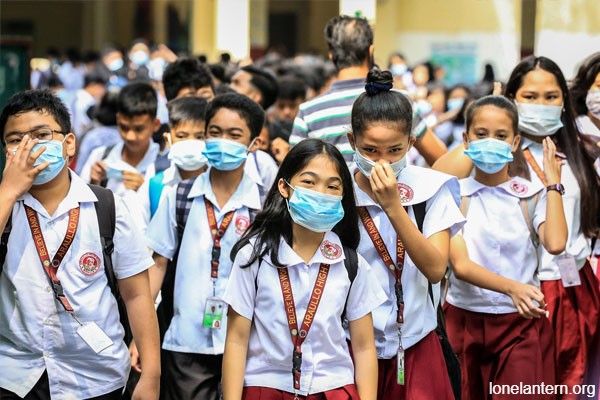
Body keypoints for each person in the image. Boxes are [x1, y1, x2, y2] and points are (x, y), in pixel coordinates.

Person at [433, 56, 600, 399]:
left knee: (563, 385)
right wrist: (492, 115)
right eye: (530, 96)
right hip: (486, 305)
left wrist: (553, 185)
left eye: (551, 96)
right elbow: (442, 173)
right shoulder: (472, 178)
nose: (541, 105)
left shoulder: (583, 149)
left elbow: (558, 239)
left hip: (562, 290)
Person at [0, 89, 160, 399]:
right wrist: (8, 191)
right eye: (15, 139)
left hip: (95, 377)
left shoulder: (106, 207)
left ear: (68, 143)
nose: (28, 147)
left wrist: (151, 374)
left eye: (41, 134)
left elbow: (137, 293)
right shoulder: (5, 205)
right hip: (16, 376)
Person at [222, 138, 386, 400]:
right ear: (284, 187)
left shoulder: (351, 264)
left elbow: (365, 347)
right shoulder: (254, 256)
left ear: (343, 197)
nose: (320, 193)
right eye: (309, 182)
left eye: (333, 186)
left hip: (333, 388)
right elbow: (236, 340)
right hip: (266, 387)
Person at [348, 69, 464, 400]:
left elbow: (435, 269)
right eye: (370, 151)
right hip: (350, 344)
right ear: (351, 142)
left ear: (411, 144)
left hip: (416, 341)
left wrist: (394, 208)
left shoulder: (430, 189)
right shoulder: (337, 190)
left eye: (395, 151)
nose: (382, 163)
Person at [444, 95, 567, 400]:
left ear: (515, 142)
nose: (490, 142)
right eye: (481, 134)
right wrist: (513, 287)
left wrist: (553, 185)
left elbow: (555, 242)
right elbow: (461, 265)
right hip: (464, 319)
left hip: (520, 324)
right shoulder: (453, 194)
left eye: (501, 136)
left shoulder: (530, 194)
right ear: (465, 138)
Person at [145, 93, 266, 400]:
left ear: (253, 143)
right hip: (187, 342)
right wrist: (140, 337)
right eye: (215, 132)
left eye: (234, 135)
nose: (222, 141)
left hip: (252, 344)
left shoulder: (264, 205)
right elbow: (158, 263)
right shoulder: (180, 195)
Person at [288, 15, 447, 167]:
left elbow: (294, 171)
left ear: (332, 56)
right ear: (371, 51)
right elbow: (440, 159)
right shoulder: (400, 101)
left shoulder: (308, 112)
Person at [134, 96, 209, 234]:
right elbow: (138, 233)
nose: (190, 143)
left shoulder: (220, 185)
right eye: (181, 136)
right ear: (168, 140)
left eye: (199, 137)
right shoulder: (155, 186)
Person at [80, 82, 160, 199]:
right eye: (124, 127)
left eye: (139, 129)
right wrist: (93, 184)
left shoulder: (164, 165)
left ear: (155, 125)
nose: (130, 136)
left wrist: (147, 191)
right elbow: (80, 206)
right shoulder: (100, 156)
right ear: (118, 120)